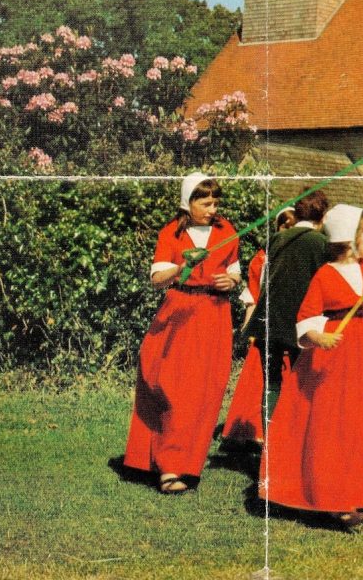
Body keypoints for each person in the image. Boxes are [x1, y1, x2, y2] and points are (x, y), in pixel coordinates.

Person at [260, 203, 363, 528]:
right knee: (337, 422)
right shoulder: (325, 275)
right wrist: (319, 338)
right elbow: (307, 320)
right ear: (347, 240)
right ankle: (334, 498)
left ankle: (354, 493)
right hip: (335, 357)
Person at [124, 173, 240, 494]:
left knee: (206, 390)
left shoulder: (227, 231)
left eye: (215, 202)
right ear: (187, 203)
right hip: (180, 312)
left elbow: (235, 272)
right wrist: (181, 266)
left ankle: (187, 463)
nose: (212, 209)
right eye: (205, 203)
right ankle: (168, 466)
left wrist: (230, 282)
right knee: (174, 387)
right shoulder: (170, 234)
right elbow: (157, 279)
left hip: (214, 315)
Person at [245, 191, 330, 423]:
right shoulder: (322, 243)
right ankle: (293, 438)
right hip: (299, 322)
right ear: (322, 217)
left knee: (271, 383)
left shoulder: (276, 239)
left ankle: (269, 445)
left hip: (269, 321)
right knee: (302, 382)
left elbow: (264, 279)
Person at [220, 207, 295, 448]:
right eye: (285, 227)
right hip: (267, 324)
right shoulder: (262, 259)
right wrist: (248, 329)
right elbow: (253, 295)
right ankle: (253, 431)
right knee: (260, 380)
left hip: (291, 326)